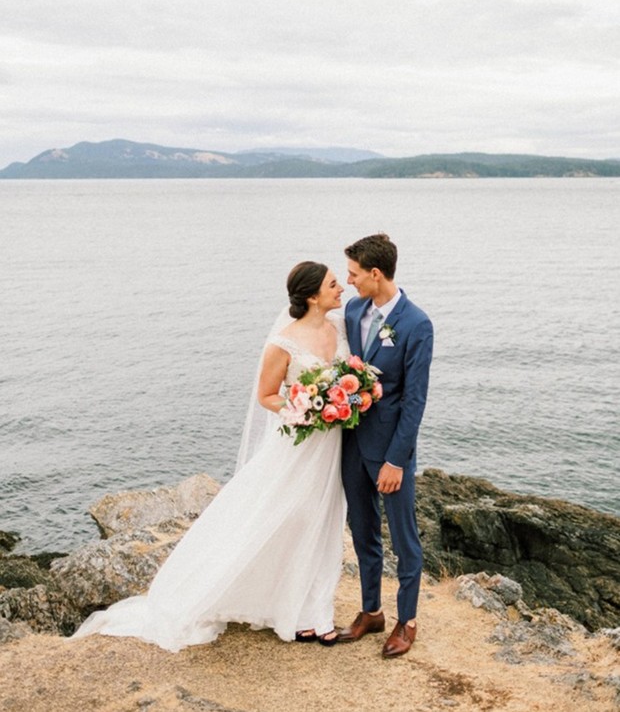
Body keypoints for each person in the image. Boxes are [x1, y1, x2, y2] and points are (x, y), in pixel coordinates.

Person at [72, 261, 348, 651]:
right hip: (300, 444)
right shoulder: (283, 342)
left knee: (323, 521)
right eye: (333, 284)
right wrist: (306, 406)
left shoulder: (340, 327)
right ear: (311, 296)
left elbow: (349, 375)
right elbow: (267, 395)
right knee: (286, 517)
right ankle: (279, 604)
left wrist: (345, 400)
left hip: (333, 444)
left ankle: (315, 612)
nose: (341, 289)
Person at [338, 234, 433, 658]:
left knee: (403, 537)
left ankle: (406, 620)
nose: (349, 281)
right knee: (362, 531)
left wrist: (397, 460)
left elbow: (414, 401)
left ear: (376, 274)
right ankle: (371, 610)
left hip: (391, 452)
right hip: (351, 445)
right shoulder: (353, 309)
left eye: (354, 274)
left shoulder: (417, 324)